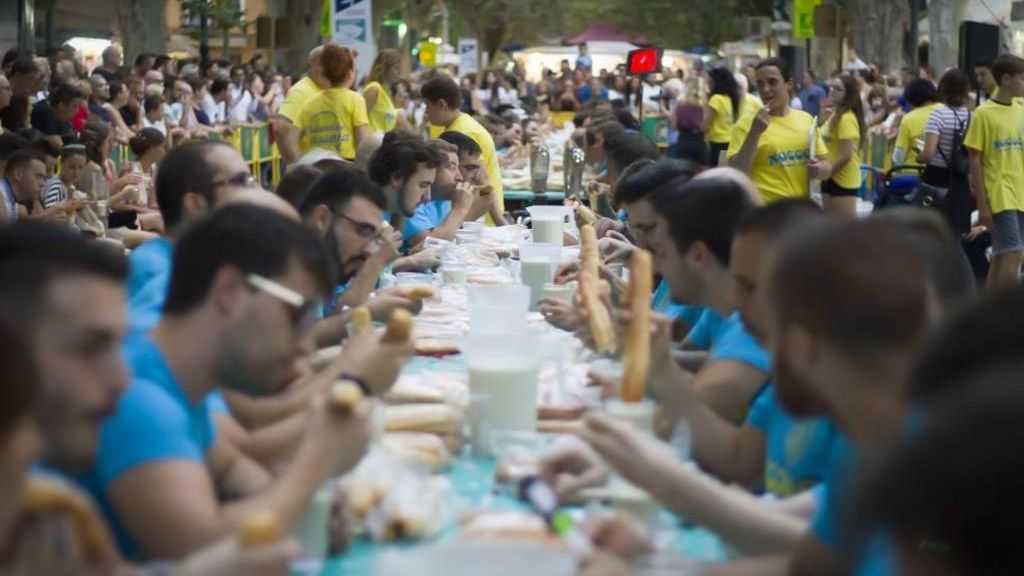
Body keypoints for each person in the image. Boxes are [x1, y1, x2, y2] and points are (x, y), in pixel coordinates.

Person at [77, 205, 397, 559]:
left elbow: (233, 469)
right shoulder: (135, 393)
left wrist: (307, 504)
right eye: (298, 315)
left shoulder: (180, 375)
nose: (307, 345)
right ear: (228, 291)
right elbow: (201, 545)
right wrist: (317, 461)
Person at [299, 165, 423, 347]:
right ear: (322, 218)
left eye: (375, 238)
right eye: (363, 231)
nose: (369, 251)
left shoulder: (319, 262)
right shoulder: (282, 261)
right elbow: (297, 345)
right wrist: (368, 312)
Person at [727, 58, 830, 204]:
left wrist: (820, 170)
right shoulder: (746, 124)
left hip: (800, 211)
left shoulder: (806, 119)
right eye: (760, 84)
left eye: (772, 82)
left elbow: (825, 164)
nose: (765, 89)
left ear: (788, 84)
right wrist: (754, 132)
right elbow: (736, 174)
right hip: (765, 212)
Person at [965, 54, 1024, 291]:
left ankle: (988, 314)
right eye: (1023, 77)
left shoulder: (1020, 109)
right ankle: (1006, 315)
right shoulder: (984, 113)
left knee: (1002, 254)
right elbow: (975, 159)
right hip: (999, 192)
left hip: (1019, 190)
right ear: (1007, 79)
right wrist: (982, 203)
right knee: (1013, 253)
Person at [422, 74, 507, 225]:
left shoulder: (464, 131)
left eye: (427, 106)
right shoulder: (464, 124)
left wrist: (500, 222)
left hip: (478, 217)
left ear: (441, 104)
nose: (426, 113)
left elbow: (482, 181)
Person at [918, 69, 974, 237]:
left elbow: (928, 153)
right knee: (954, 235)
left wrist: (919, 156)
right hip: (961, 182)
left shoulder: (938, 115)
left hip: (935, 179)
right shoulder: (972, 117)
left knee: (927, 234)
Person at [403, 138, 486, 246]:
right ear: (431, 171)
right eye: (452, 168)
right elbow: (429, 247)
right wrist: (460, 209)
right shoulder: (413, 202)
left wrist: (485, 184)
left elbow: (489, 193)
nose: (460, 177)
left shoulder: (447, 199)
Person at [294, 43, 369, 162]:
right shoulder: (355, 100)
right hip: (345, 165)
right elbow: (363, 143)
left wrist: (301, 163)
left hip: (316, 166)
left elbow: (290, 140)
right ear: (349, 73)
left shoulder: (310, 102)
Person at [367, 130, 442, 228]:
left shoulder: (391, 214)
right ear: (397, 178)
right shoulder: (363, 221)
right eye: (422, 185)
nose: (427, 197)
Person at [818, 74, 865, 216]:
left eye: (837, 88)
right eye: (831, 87)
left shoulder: (846, 119)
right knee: (831, 228)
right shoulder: (835, 115)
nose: (831, 90)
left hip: (842, 179)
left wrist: (828, 172)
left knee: (844, 229)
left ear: (848, 95)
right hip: (830, 176)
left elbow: (846, 155)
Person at [274, 46, 328, 164]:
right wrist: (299, 164)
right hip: (312, 173)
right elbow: (281, 127)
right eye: (321, 64)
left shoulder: (323, 89)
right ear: (310, 66)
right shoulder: (301, 91)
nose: (326, 68)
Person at [892, 78, 941, 165]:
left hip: (911, 172)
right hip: (943, 171)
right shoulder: (946, 110)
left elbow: (898, 156)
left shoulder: (909, 118)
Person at [39, 143, 88, 223]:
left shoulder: (68, 187)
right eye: (72, 167)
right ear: (61, 163)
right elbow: (51, 217)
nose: (76, 172)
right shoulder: (55, 186)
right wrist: (73, 206)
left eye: (80, 168)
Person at [362, 50, 407, 133]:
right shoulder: (374, 89)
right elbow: (359, 121)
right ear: (384, 68)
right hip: (372, 144)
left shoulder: (387, 93)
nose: (399, 72)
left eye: (400, 69)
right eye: (396, 68)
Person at [704, 68, 741, 167]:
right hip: (729, 142)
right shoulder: (730, 99)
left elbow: (704, 125)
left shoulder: (715, 99)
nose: (708, 85)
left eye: (710, 82)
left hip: (716, 143)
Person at [30, 82, 82, 148]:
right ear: (61, 105)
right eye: (75, 106)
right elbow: (58, 146)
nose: (77, 111)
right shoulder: (44, 113)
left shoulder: (62, 118)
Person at [0, 149, 46, 222]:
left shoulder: (13, 204)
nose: (43, 184)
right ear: (18, 174)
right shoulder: (2, 195)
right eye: (38, 176)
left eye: (43, 178)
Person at [673, 77, 707, 164]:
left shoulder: (679, 106)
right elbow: (705, 128)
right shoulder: (704, 106)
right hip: (699, 142)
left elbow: (674, 126)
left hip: (683, 141)